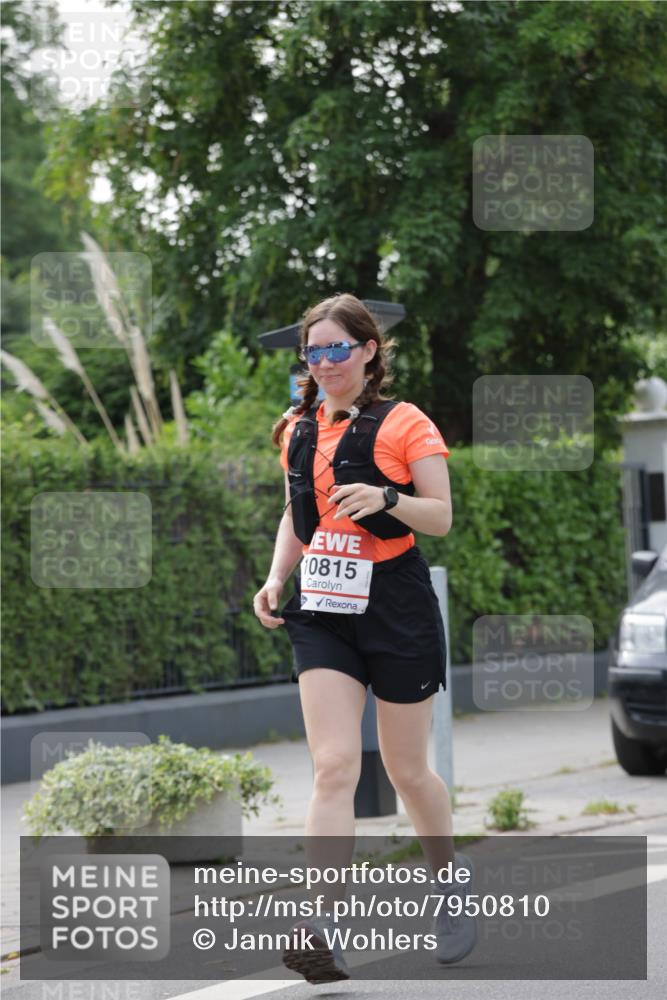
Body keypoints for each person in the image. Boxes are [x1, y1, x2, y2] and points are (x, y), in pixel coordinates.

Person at [253, 293, 476, 984]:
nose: (324, 363)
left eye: (336, 349)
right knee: (333, 767)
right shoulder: (296, 428)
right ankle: (321, 926)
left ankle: (448, 884)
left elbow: (439, 516)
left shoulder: (405, 422)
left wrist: (387, 498)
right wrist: (276, 577)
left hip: (395, 602)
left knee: (407, 770)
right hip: (323, 606)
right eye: (312, 352)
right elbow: (298, 513)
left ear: (368, 350)